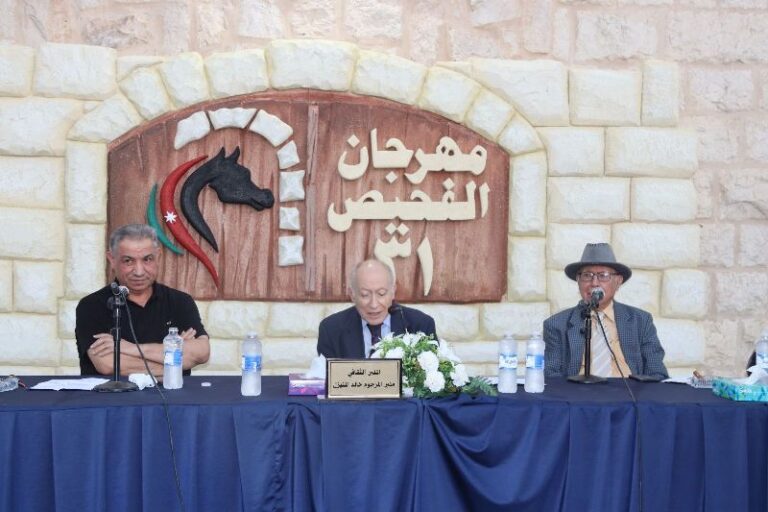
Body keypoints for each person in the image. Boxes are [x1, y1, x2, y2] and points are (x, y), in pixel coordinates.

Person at [75, 224, 210, 376]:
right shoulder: (91, 305)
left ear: (158, 257)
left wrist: (129, 349)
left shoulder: (180, 301)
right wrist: (176, 358)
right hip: (112, 392)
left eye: (147, 259)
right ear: (112, 260)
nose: (139, 272)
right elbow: (109, 365)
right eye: (128, 261)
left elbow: (201, 353)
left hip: (172, 391)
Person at [543, 242, 668, 379]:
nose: (594, 283)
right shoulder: (556, 324)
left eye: (603, 275)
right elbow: (551, 376)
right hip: (579, 391)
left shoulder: (641, 321)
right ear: (578, 280)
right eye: (587, 275)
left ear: (618, 281)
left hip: (628, 390)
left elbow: (657, 372)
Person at [317, 259, 437, 358]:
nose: (374, 304)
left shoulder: (420, 325)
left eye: (381, 293)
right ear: (352, 294)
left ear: (393, 292)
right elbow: (325, 377)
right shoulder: (331, 329)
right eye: (365, 295)